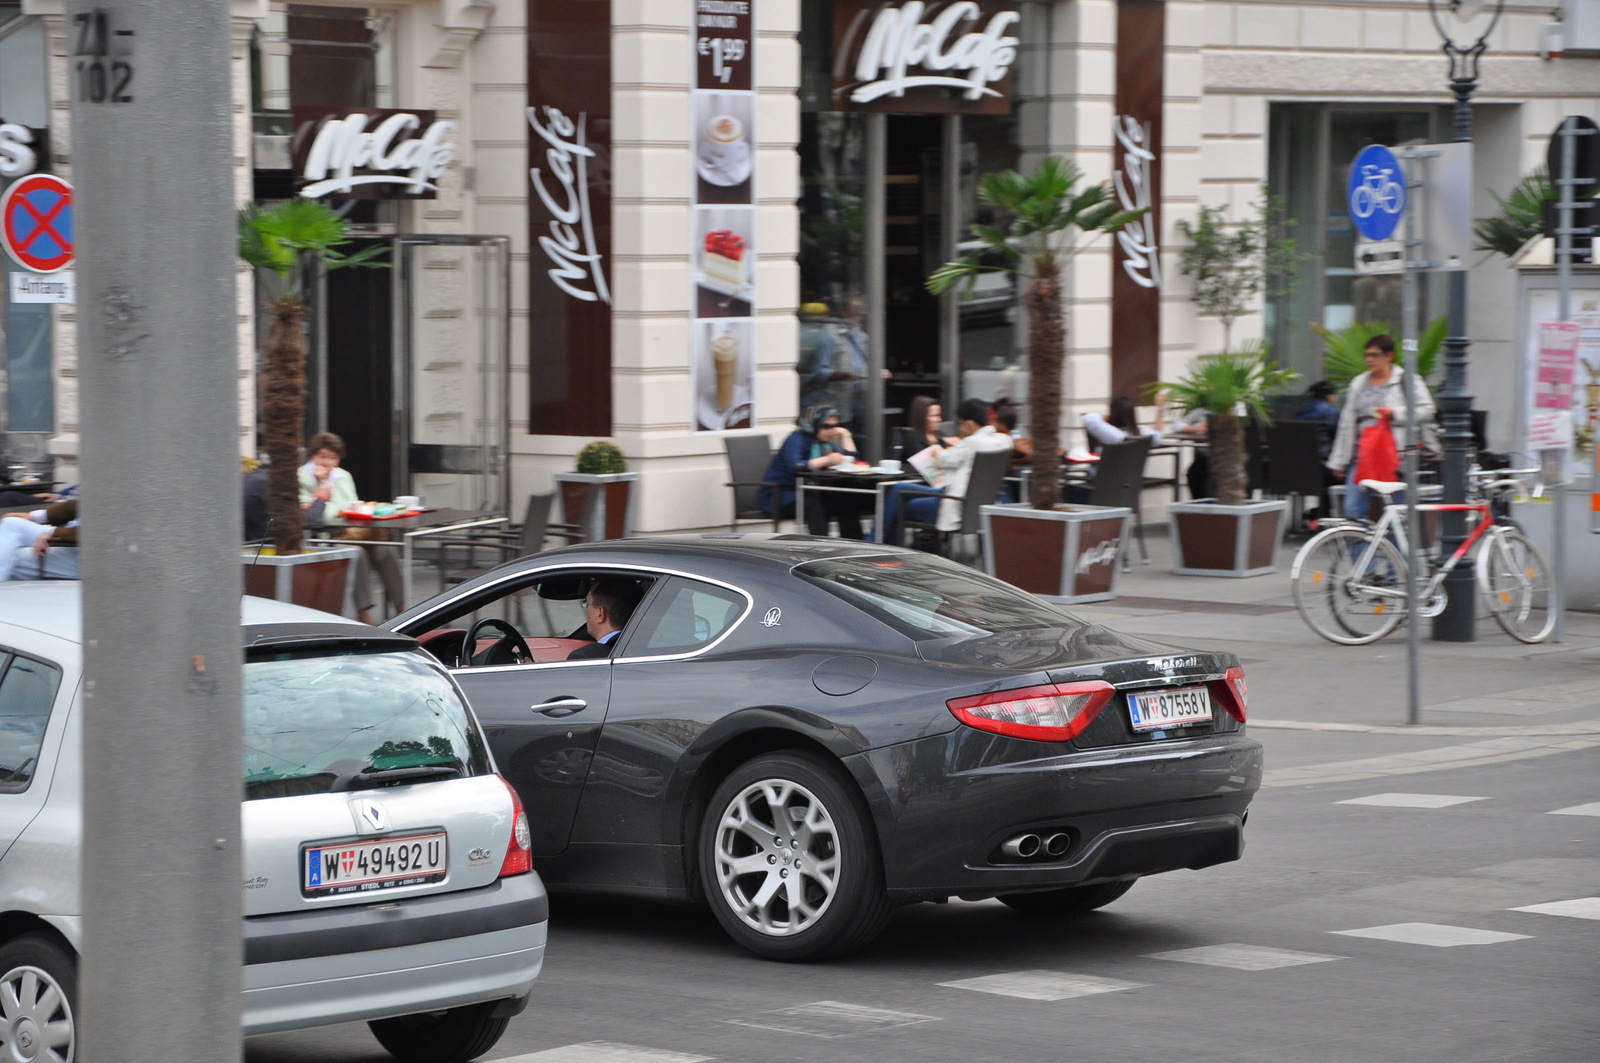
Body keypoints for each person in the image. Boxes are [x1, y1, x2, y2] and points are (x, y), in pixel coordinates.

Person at [297, 432, 405, 624]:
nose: (328, 462)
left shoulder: (343, 476)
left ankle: (402, 608)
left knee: (385, 550)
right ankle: (364, 614)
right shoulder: (301, 477)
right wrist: (321, 485)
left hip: (353, 532)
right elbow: (318, 516)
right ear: (312, 456)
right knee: (357, 554)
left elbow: (351, 504)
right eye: (323, 456)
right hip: (324, 537)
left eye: (333, 457)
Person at [1328, 333, 1436, 520]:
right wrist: (1339, 461)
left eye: (1375, 355)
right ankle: (1361, 550)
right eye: (1367, 355)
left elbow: (1427, 410)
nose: (1369, 360)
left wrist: (1394, 413)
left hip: (1395, 455)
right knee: (1353, 509)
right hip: (1363, 455)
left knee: (1398, 512)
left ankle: (1394, 549)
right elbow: (1346, 424)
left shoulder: (1407, 380)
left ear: (1389, 356)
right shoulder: (1359, 382)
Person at [880, 398, 1012, 546]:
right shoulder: (1003, 441)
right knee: (899, 491)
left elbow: (941, 460)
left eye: (960, 423)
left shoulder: (971, 442)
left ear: (969, 423)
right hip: (977, 505)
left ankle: (878, 541)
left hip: (955, 505)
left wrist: (944, 450)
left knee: (898, 496)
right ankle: (884, 543)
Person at [760, 406, 871, 538]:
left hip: (811, 492)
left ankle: (856, 544)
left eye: (835, 426)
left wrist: (846, 436)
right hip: (782, 494)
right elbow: (796, 466)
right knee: (814, 504)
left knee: (844, 499)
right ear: (815, 424)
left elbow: (851, 462)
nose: (831, 431)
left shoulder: (825, 443)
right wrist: (827, 459)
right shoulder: (796, 439)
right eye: (827, 426)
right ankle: (822, 547)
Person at [804, 297, 869, 438]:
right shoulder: (829, 334)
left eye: (860, 312)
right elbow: (818, 371)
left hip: (860, 404)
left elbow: (867, 366)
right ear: (843, 311)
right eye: (854, 311)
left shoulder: (862, 337)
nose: (857, 316)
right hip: (836, 405)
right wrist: (841, 375)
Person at [0, 500, 78, 581]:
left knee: (11, 555)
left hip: (85, 555)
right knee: (11, 523)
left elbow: (90, 531)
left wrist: (54, 533)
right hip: (70, 537)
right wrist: (32, 516)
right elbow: (82, 505)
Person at [567, 578, 643, 660]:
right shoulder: (644, 650)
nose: (586, 609)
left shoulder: (584, 657)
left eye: (587, 604)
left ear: (600, 614)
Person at [1297, 380, 1342, 461]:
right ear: (1329, 396)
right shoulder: (1331, 412)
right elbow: (1340, 437)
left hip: (1302, 458)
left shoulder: (1303, 410)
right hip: (1325, 458)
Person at [890, 395, 943, 462]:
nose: (939, 420)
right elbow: (925, 462)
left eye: (939, 415)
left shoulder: (941, 435)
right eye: (935, 416)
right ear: (922, 418)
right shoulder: (912, 439)